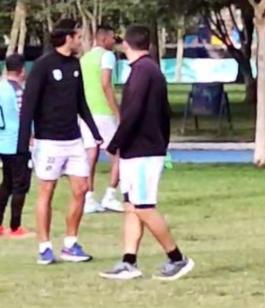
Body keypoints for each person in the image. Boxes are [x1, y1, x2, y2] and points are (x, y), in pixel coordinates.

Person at [99, 25, 194, 281]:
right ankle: (128, 261)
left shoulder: (144, 72)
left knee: (144, 207)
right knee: (131, 207)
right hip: (137, 150)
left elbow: (133, 114)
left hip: (143, 151)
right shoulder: (144, 70)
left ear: (126, 45)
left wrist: (114, 143)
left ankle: (177, 258)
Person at [19, 19, 103, 264]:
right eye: (78, 36)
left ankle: (70, 244)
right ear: (68, 38)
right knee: (47, 191)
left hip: (73, 140)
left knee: (81, 189)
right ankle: (44, 247)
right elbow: (28, 106)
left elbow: (81, 102)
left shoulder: (75, 64)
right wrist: (23, 146)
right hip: (49, 142)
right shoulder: (43, 66)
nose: (80, 40)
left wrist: (95, 132)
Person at [80, 25, 123, 214]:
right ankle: (110, 195)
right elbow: (105, 83)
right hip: (103, 111)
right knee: (119, 154)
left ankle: (88, 197)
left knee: (91, 154)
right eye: (113, 38)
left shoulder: (85, 58)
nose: (115, 41)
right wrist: (117, 111)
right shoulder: (107, 56)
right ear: (104, 39)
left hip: (87, 113)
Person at [0, 53, 34, 239]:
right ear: (22, 70)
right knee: (20, 185)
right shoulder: (18, 91)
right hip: (18, 143)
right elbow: (24, 116)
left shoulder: (1, 87)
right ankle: (15, 226)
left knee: (6, 183)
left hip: (3, 142)